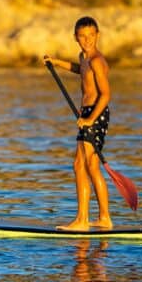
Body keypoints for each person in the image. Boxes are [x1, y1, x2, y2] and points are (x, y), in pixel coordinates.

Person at [42, 16, 112, 231]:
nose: (87, 40)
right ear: (75, 38)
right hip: (88, 114)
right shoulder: (84, 57)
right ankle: (104, 218)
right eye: (82, 36)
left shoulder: (97, 61)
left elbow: (106, 95)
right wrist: (57, 62)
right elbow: (78, 70)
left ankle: (82, 220)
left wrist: (90, 118)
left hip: (95, 114)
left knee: (80, 165)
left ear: (97, 35)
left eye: (91, 35)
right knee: (90, 166)